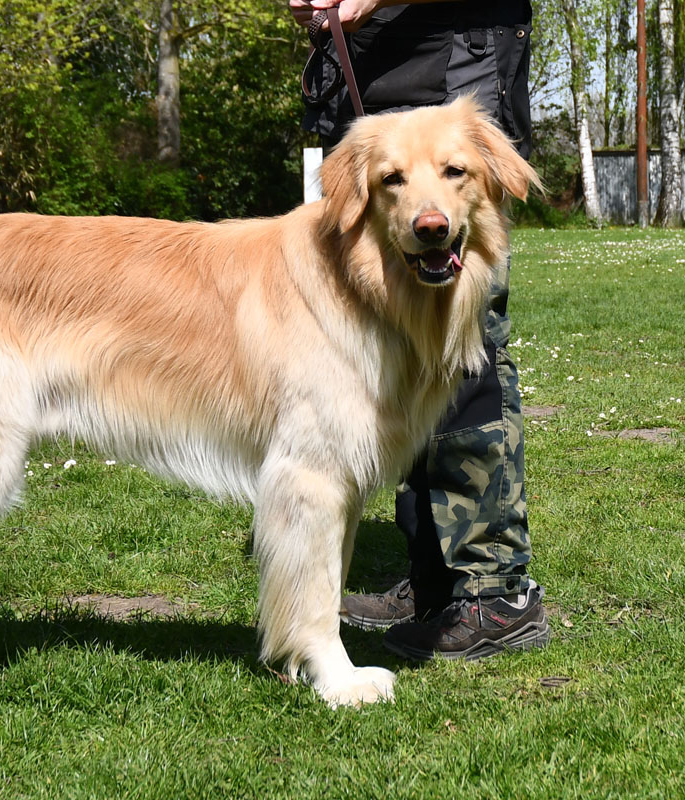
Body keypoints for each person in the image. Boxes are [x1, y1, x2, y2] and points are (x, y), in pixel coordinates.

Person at [290, 0, 550, 661]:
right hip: (369, 64)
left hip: (452, 46)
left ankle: (493, 592)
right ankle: (434, 575)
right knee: (396, 343)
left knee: (463, 339)